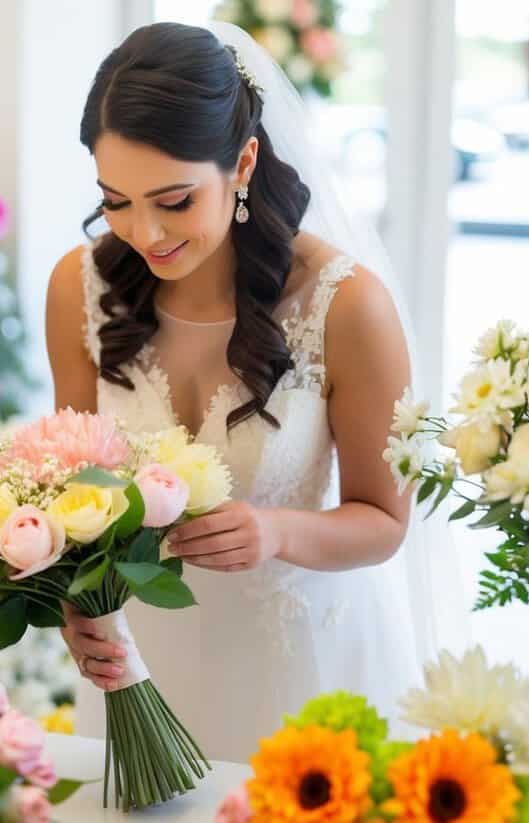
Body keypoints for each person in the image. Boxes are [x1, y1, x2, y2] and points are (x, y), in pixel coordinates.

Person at [44, 21, 462, 763]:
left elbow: (385, 520)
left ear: (241, 163)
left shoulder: (346, 305)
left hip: (294, 670)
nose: (143, 231)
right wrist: (75, 598)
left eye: (174, 201)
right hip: (138, 665)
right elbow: (67, 486)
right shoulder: (80, 288)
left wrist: (276, 533)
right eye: (116, 200)